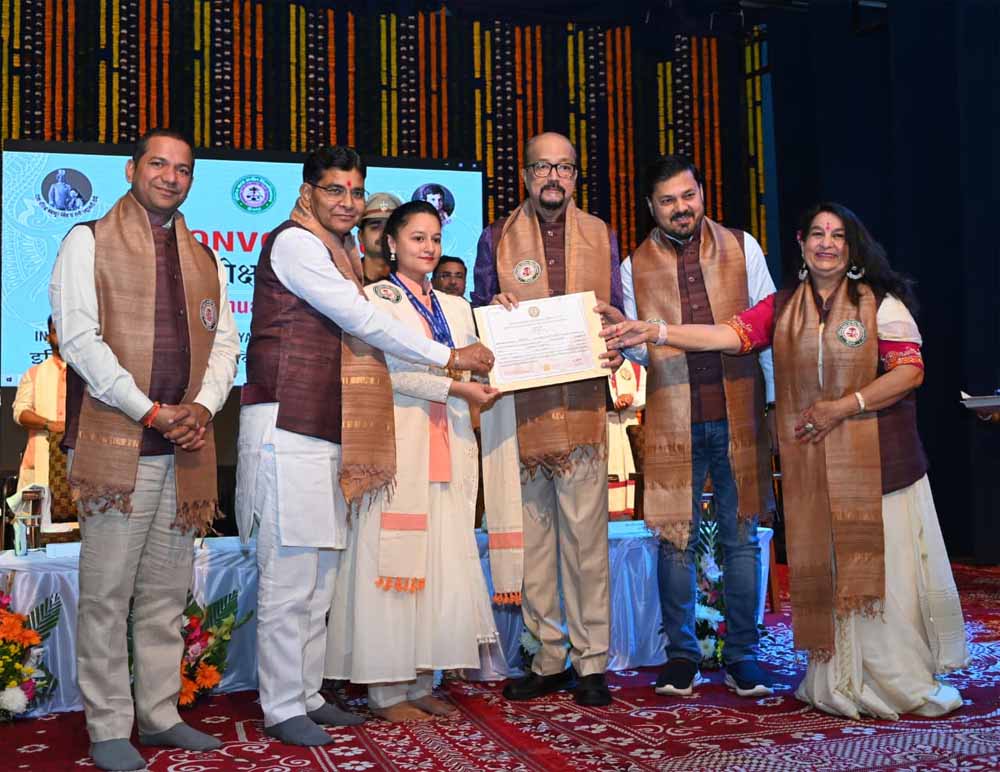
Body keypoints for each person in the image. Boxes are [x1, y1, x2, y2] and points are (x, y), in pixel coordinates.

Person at [602, 202, 969, 720]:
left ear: (853, 246)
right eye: (817, 234)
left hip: (881, 467)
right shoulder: (784, 306)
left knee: (885, 578)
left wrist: (844, 406)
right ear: (801, 243)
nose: (826, 244)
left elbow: (909, 372)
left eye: (837, 235)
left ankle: (896, 677)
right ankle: (840, 677)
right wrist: (657, 332)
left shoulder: (880, 303)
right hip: (816, 470)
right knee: (833, 572)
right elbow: (728, 335)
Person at [236, 146, 494, 746]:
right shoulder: (296, 245)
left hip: (330, 429)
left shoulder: (341, 253)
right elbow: (360, 319)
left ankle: (307, 695)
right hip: (286, 424)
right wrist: (448, 356)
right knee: (291, 576)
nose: (348, 202)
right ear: (307, 192)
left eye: (355, 191)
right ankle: (281, 706)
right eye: (335, 190)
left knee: (320, 578)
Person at [49, 129, 240, 772]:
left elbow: (225, 345)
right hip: (120, 447)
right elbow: (79, 339)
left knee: (165, 594)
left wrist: (202, 409)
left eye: (182, 169)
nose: (170, 176)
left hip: (184, 449)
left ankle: (159, 715)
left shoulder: (206, 257)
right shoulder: (88, 241)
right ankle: (108, 725)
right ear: (131, 169)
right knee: (107, 594)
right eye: (158, 163)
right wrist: (150, 411)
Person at [599, 155, 776, 698]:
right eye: (668, 200)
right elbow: (643, 351)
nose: (681, 208)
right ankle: (682, 657)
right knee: (675, 540)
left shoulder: (743, 247)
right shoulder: (632, 267)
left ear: (702, 194)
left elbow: (768, 323)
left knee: (741, 539)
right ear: (651, 208)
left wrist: (772, 401)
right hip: (674, 418)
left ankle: (743, 655)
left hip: (739, 413)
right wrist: (623, 349)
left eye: (688, 195)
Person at [326, 200, 502, 721]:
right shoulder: (375, 299)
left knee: (438, 566)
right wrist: (456, 386)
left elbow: (477, 364)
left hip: (450, 446)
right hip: (399, 448)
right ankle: (386, 689)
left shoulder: (456, 306)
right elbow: (388, 374)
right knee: (392, 565)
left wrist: (502, 332)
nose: (428, 248)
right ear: (392, 243)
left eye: (435, 239)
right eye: (417, 238)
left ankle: (423, 678)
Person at [472, 131, 624, 707]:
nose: (553, 177)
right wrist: (493, 311)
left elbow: (617, 313)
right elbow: (478, 315)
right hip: (522, 415)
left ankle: (591, 662)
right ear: (525, 177)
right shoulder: (496, 238)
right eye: (542, 168)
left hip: (582, 412)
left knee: (586, 543)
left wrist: (614, 336)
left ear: (576, 177)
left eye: (564, 167)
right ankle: (547, 656)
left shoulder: (600, 234)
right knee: (534, 542)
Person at [12, 316, 75, 532]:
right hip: (41, 465)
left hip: (79, 466)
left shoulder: (89, 375)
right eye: (56, 331)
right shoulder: (34, 374)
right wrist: (49, 424)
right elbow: (19, 412)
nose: (62, 335)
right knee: (37, 535)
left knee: (82, 536)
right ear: (48, 337)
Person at [606, 359, 644, 519]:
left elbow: (646, 392)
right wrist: (612, 402)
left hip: (630, 425)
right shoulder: (595, 364)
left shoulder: (634, 363)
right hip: (605, 425)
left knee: (630, 466)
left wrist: (631, 398)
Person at [358, 192, 402, 284]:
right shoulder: (346, 279)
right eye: (375, 227)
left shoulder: (412, 279)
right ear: (361, 236)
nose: (383, 233)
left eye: (390, 227)